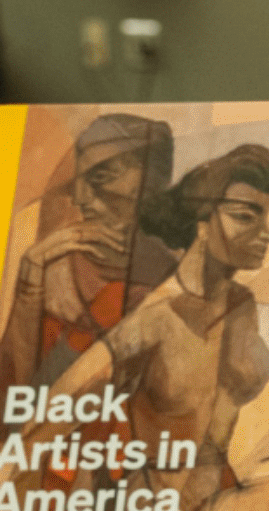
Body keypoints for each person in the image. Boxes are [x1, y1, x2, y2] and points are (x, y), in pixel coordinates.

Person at [24, 144, 269, 511]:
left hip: (215, 503)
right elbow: (56, 408)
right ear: (202, 222)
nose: (266, 234)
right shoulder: (154, 320)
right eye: (246, 216)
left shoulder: (242, 304)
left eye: (264, 217)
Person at [0, 114, 177, 393]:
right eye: (79, 180)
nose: (80, 198)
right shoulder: (53, 267)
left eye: (102, 176)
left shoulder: (174, 277)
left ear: (151, 183)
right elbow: (13, 397)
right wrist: (31, 276)